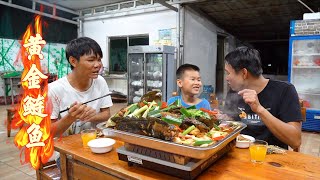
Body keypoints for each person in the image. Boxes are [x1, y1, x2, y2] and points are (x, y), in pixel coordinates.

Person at [223, 46, 302, 149]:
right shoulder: (234, 91)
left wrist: (259, 109)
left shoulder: (284, 90)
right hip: (238, 153)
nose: (226, 78)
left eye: (228, 73)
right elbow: (231, 122)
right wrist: (224, 119)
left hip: (272, 157)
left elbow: (295, 141)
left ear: (244, 73)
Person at [49, 37, 113, 137]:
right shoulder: (53, 90)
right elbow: (49, 132)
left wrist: (90, 116)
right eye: (91, 60)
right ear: (73, 61)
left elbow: (106, 114)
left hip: (94, 143)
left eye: (99, 59)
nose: (98, 65)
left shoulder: (100, 81)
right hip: (66, 149)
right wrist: (71, 117)